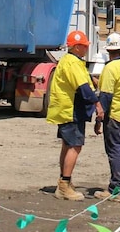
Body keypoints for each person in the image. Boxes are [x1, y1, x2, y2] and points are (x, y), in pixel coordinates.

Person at [46, 30, 105, 201]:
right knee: (75, 146)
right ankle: (64, 185)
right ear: (77, 47)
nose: (86, 48)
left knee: (67, 145)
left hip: (65, 109)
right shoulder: (72, 62)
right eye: (85, 46)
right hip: (70, 110)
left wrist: (93, 81)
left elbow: (84, 81)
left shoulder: (69, 60)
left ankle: (65, 181)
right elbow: (83, 89)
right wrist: (97, 103)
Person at [93, 33, 120, 202]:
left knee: (115, 151)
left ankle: (116, 189)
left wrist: (98, 120)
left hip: (115, 116)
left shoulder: (110, 69)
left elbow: (105, 97)